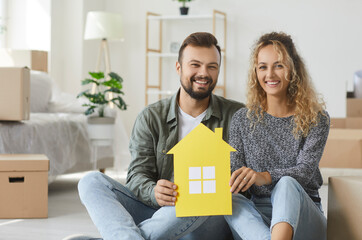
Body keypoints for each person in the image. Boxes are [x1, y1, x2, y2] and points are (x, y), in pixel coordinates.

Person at [78, 32, 245, 240]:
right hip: (158, 215)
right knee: (91, 181)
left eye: (212, 66)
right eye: (195, 64)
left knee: (203, 198)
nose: (204, 73)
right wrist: (153, 191)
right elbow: (137, 176)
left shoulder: (238, 116)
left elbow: (248, 180)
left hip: (206, 219)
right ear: (178, 68)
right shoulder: (151, 117)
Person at [225, 32, 329, 240]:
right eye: (263, 67)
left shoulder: (316, 118)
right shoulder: (241, 119)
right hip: (258, 215)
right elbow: (234, 173)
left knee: (287, 183)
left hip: (303, 213)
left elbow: (304, 171)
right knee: (230, 199)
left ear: (293, 69)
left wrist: (264, 176)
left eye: (278, 65)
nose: (270, 74)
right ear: (256, 72)